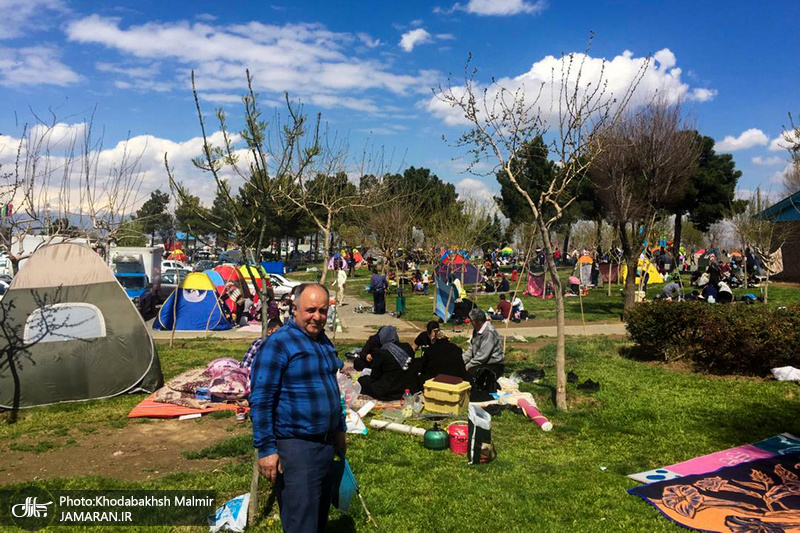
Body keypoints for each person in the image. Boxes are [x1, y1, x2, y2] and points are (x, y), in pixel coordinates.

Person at [250, 284, 346, 533]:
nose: (317, 316)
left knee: (318, 518)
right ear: (295, 309)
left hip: (324, 445)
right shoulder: (279, 344)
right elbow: (261, 399)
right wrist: (266, 449)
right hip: (297, 447)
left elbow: (333, 389)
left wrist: (339, 428)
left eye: (323, 311)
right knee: (301, 523)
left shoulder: (322, 341)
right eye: (310, 310)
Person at [354, 326, 418, 400]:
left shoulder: (382, 352)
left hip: (389, 392)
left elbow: (375, 377)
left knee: (363, 380)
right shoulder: (407, 347)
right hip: (407, 389)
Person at [462, 308, 504, 379]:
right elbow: (471, 350)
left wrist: (468, 366)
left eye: (471, 321)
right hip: (480, 362)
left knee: (469, 375)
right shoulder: (476, 330)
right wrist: (461, 361)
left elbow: (482, 356)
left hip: (493, 364)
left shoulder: (489, 333)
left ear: (476, 321)